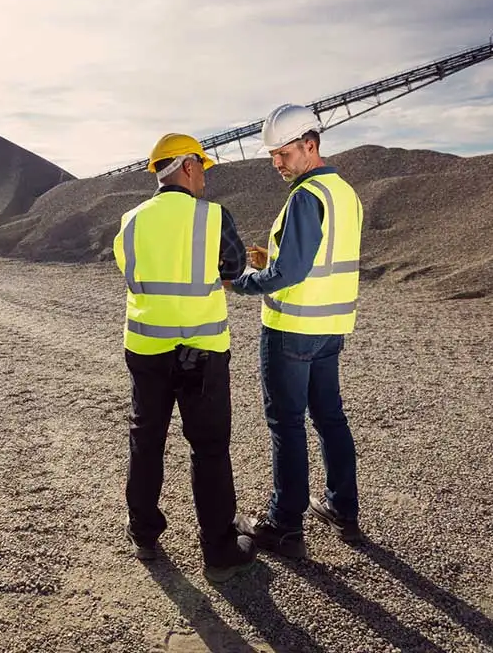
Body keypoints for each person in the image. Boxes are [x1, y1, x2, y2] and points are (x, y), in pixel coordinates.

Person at [113, 132, 257, 585]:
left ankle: (144, 533)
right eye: (203, 171)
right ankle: (218, 549)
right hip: (202, 350)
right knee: (209, 448)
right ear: (189, 167)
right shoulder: (213, 218)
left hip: (146, 346)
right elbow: (233, 271)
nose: (205, 181)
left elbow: (130, 270)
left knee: (146, 438)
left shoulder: (131, 221)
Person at [229, 104, 365, 558]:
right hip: (330, 327)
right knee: (330, 417)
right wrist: (276, 262)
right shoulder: (345, 194)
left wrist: (244, 281)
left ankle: (284, 524)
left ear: (311, 145)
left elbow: (290, 273)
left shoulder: (307, 196)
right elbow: (318, 261)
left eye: (283, 154)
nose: (276, 164)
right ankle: (342, 508)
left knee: (287, 425)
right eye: (272, 155)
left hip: (292, 329)